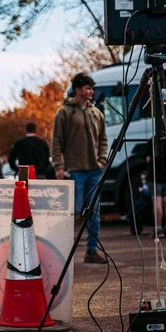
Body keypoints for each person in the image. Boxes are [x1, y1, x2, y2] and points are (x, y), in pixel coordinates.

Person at [51, 72, 108, 264]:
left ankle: (92, 251)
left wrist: (102, 160)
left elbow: (103, 140)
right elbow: (56, 141)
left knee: (94, 212)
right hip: (74, 171)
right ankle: (63, 251)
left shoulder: (96, 113)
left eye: (92, 88)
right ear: (78, 90)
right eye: (88, 88)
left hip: (95, 170)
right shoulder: (64, 113)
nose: (92, 92)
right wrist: (59, 167)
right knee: (73, 212)